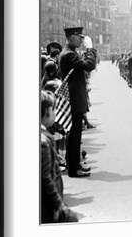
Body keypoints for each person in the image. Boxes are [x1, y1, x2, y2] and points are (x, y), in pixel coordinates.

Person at [59, 27, 97, 178]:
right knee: (74, 136)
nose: (81, 39)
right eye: (78, 36)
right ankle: (74, 169)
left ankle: (75, 164)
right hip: (73, 99)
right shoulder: (68, 54)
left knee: (76, 135)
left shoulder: (70, 52)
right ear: (71, 37)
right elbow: (89, 65)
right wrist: (91, 49)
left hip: (75, 98)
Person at [40, 90, 78, 223]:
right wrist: (60, 205)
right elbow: (46, 179)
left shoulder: (45, 136)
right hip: (48, 206)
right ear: (45, 114)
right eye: (53, 110)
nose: (55, 114)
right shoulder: (43, 142)